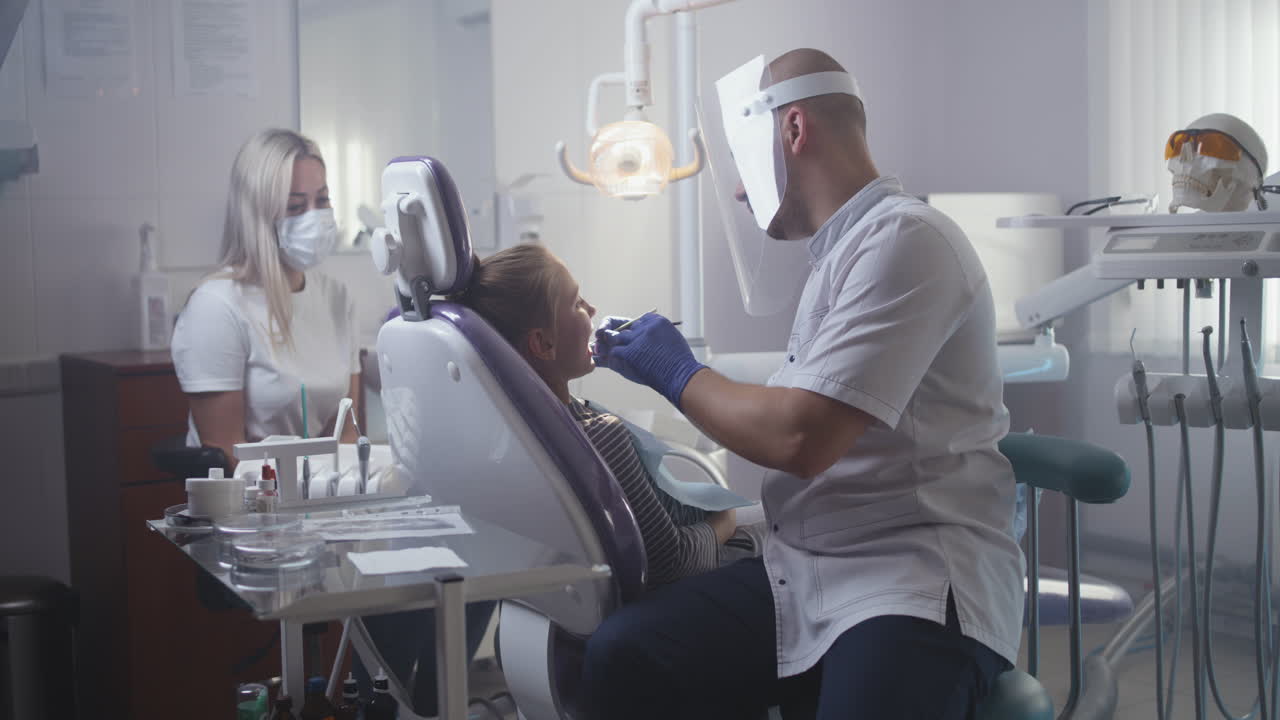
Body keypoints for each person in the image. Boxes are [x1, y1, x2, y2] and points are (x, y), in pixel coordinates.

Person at [585, 49, 1024, 719]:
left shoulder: (907, 240)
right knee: (625, 655)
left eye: (741, 167)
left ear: (793, 131)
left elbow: (799, 436)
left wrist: (675, 373)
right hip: (806, 565)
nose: (738, 191)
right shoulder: (841, 254)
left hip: (909, 576)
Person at [450, 243, 759, 583]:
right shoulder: (599, 434)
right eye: (577, 303)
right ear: (542, 344)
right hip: (712, 560)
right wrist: (724, 520)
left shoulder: (514, 436)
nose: (592, 308)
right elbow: (673, 561)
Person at [171, 128, 359, 462]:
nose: (315, 218)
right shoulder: (216, 307)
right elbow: (226, 454)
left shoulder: (335, 297)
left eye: (323, 201)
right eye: (296, 206)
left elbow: (347, 431)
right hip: (254, 500)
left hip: (321, 496)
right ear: (257, 215)